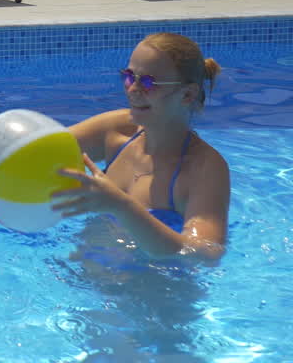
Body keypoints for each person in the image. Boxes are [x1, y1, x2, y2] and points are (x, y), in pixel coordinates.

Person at [51, 33, 230, 262]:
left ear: (187, 94)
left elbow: (204, 253)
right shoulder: (115, 131)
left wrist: (121, 206)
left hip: (154, 294)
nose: (133, 89)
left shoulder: (204, 169)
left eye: (147, 82)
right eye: (129, 77)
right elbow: (38, 150)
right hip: (85, 284)